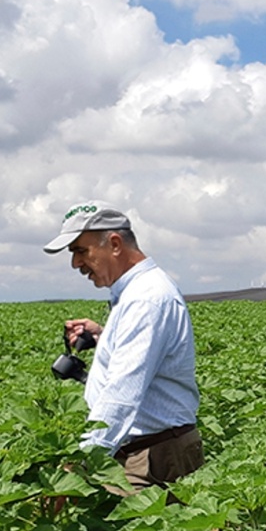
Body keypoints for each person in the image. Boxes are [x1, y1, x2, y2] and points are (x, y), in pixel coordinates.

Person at [44, 201, 203, 491]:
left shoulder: (145, 299)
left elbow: (122, 393)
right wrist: (104, 336)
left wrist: (82, 463)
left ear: (114, 244)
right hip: (146, 451)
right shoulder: (140, 292)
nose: (75, 264)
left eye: (81, 251)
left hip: (150, 460)